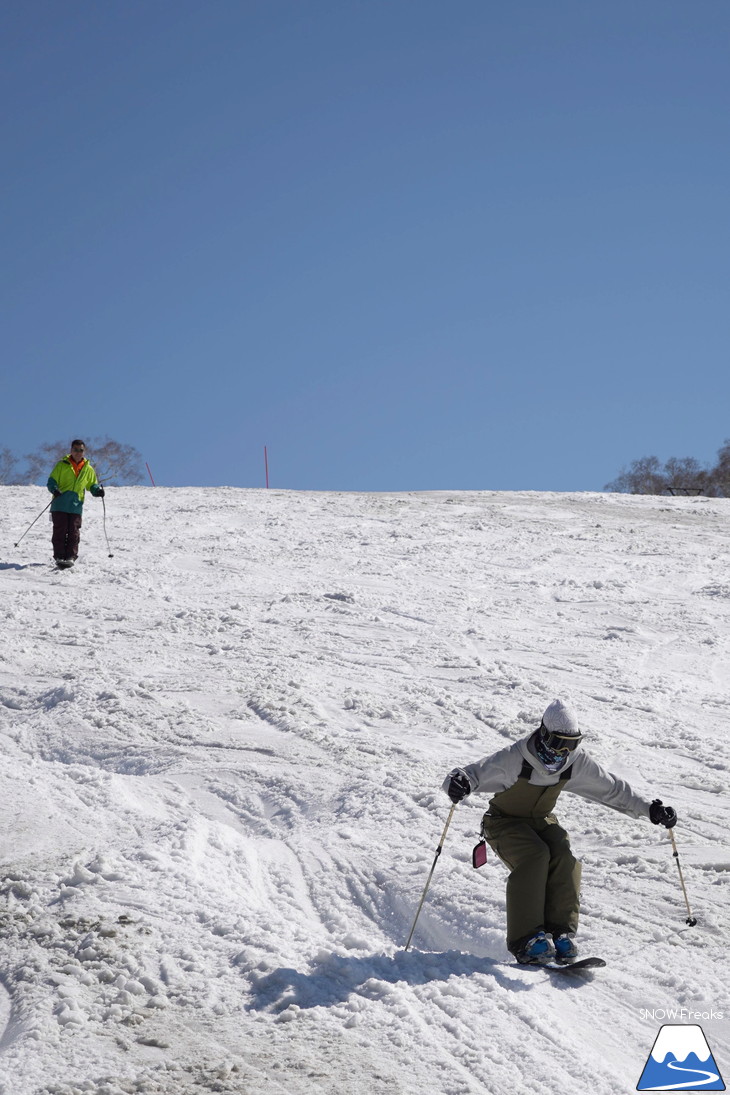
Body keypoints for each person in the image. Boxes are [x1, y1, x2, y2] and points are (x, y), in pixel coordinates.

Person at [443, 699, 677, 965]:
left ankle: (560, 932)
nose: (564, 751)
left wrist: (650, 809)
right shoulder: (515, 758)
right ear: (543, 735)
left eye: (572, 744)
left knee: (564, 858)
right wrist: (458, 782)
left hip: (541, 819)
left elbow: (612, 789)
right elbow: (472, 774)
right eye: (558, 743)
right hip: (503, 822)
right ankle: (526, 940)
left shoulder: (575, 763)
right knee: (536, 856)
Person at [47, 441, 105, 566]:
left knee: (73, 531)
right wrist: (54, 489)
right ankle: (59, 556)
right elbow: (52, 481)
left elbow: (92, 484)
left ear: (84, 452)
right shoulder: (62, 465)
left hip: (76, 505)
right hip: (60, 503)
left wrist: (97, 491)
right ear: (71, 450)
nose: (78, 452)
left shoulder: (88, 469)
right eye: (75, 450)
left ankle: (70, 557)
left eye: (81, 450)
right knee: (60, 530)